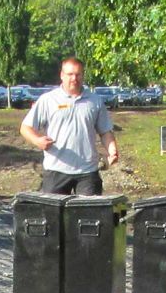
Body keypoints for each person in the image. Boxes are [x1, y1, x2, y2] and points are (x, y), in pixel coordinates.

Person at [20, 58, 119, 195]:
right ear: (62, 75)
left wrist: (112, 149)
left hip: (87, 171)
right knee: (54, 215)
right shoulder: (48, 100)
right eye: (70, 74)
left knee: (89, 215)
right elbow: (25, 127)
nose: (74, 78)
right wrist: (37, 140)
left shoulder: (95, 101)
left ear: (83, 75)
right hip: (56, 170)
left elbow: (105, 131)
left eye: (78, 74)